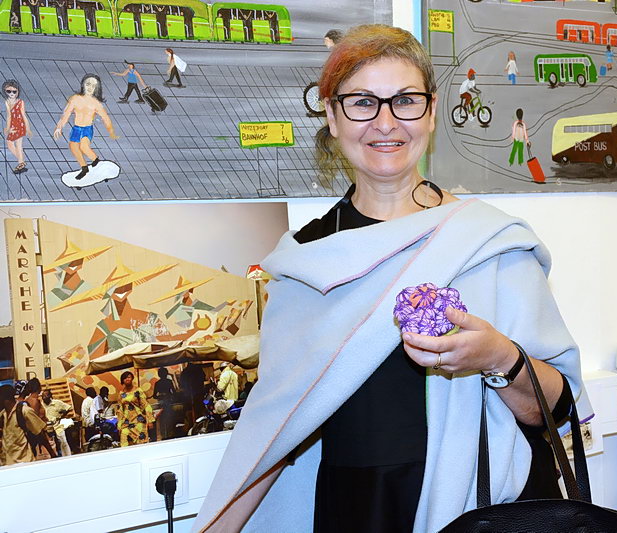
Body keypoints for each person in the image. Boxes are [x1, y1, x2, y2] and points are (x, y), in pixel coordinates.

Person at [192, 24, 591, 533]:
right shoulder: (305, 264)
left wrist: (498, 357)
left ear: (431, 111)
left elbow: (555, 409)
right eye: (362, 102)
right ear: (332, 115)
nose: (386, 122)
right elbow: (274, 431)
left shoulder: (489, 242)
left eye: (405, 100)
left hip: (485, 508)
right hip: (359, 509)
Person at [53, 73, 119, 180]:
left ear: (97, 88)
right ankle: (84, 168)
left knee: (84, 146)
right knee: (73, 147)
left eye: (93, 86)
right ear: (83, 84)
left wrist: (111, 131)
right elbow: (66, 114)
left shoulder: (96, 103)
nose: (90, 87)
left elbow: (105, 118)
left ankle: (96, 160)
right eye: (88, 84)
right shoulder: (75, 98)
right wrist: (59, 127)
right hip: (76, 128)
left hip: (87, 129)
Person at [0, 384, 53, 465]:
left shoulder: (25, 411)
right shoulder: (2, 415)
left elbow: (40, 434)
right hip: (6, 464)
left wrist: (52, 454)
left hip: (24, 462)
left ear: (4, 399)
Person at [116, 371, 154, 447]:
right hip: (126, 423)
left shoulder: (138, 391)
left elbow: (146, 405)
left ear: (132, 378)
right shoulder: (121, 394)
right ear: (122, 380)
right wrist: (119, 425)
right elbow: (120, 410)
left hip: (139, 421)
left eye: (129, 377)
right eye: (125, 378)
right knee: (124, 442)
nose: (127, 379)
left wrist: (150, 420)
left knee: (140, 444)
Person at [3, 79, 32, 175]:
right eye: (9, 91)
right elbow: (9, 116)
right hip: (13, 125)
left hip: (20, 124)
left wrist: (28, 128)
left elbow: (23, 115)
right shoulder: (7, 102)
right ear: (5, 91)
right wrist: (8, 128)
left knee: (18, 145)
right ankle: (21, 162)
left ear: (18, 91)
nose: (11, 94)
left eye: (14, 91)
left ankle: (21, 163)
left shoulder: (20, 102)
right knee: (10, 144)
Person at [42, 388, 72, 457]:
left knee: (63, 442)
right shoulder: (41, 405)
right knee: (51, 445)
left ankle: (68, 456)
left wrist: (61, 416)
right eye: (43, 396)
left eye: (46, 395)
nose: (44, 397)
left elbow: (68, 408)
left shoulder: (57, 403)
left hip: (57, 426)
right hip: (47, 428)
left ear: (50, 396)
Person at [153, 367, 176, 440]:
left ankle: (164, 436)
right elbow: (174, 393)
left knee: (163, 420)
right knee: (169, 419)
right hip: (167, 403)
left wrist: (161, 396)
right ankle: (169, 435)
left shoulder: (158, 383)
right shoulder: (169, 382)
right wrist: (168, 395)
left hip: (164, 403)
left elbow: (154, 396)